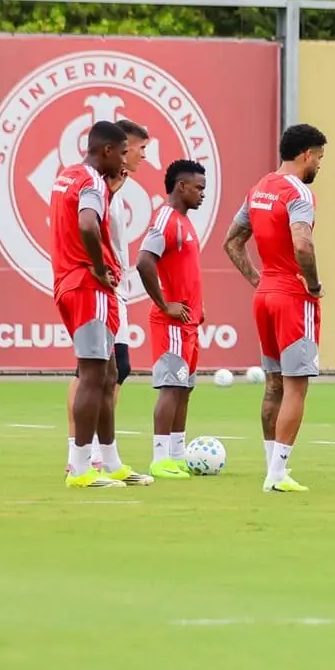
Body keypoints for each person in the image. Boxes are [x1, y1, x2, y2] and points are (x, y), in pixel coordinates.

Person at [223, 123, 329, 494]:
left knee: (273, 385)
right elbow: (303, 244)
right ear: (306, 154)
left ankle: (272, 468)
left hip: (266, 296)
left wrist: (258, 280)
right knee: (296, 387)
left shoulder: (259, 188)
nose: (319, 165)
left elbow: (232, 242)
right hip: (292, 298)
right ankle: (278, 473)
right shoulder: (298, 192)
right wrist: (313, 285)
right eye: (319, 157)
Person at [55, 120, 143, 488]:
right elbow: (88, 224)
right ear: (106, 150)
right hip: (89, 286)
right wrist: (99, 266)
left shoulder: (69, 175)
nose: (124, 160)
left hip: (71, 282)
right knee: (93, 375)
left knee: (108, 374)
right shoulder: (91, 181)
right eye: (122, 152)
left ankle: (110, 461)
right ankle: (79, 467)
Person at [136, 159, 207, 480]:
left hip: (188, 323)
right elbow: (144, 262)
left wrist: (198, 305)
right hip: (171, 324)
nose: (202, 194)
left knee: (183, 389)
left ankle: (177, 456)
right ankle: (159, 458)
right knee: (171, 387)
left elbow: (185, 271)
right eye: (198, 188)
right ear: (181, 186)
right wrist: (165, 305)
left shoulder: (185, 222)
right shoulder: (165, 218)